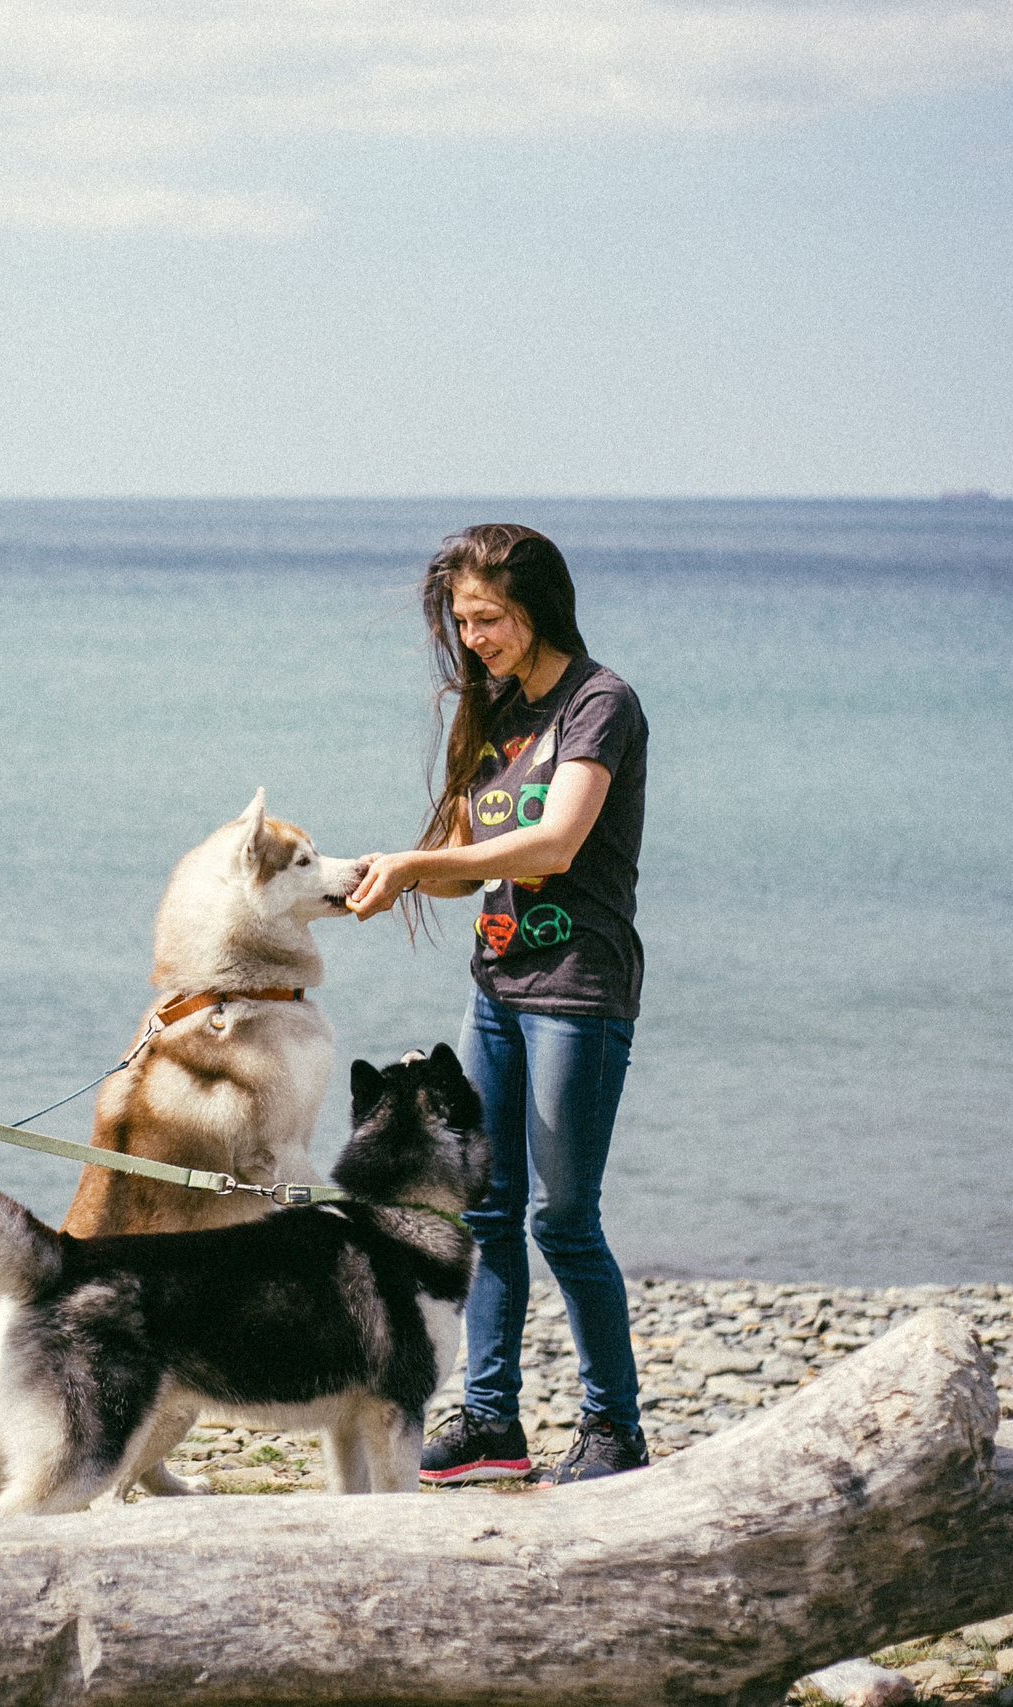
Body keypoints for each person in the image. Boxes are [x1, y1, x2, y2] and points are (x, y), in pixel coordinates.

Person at [346, 523, 650, 1485]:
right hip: (496, 990)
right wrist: (368, 876)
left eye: (488, 617)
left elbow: (553, 845)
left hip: (578, 992)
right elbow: (457, 866)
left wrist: (420, 864)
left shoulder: (598, 704)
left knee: (564, 1218)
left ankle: (614, 1429)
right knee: (487, 1212)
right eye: (462, 621)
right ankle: (490, 1420)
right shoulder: (494, 710)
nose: (473, 638)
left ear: (538, 603)